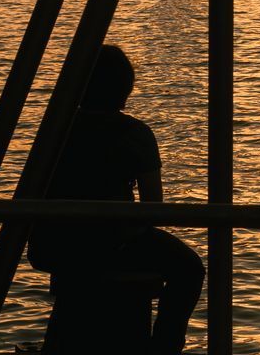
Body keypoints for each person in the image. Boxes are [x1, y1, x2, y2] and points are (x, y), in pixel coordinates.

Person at [28, 44, 205, 355]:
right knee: (189, 268)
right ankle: (164, 348)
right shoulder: (134, 133)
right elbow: (154, 208)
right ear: (125, 88)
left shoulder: (56, 129)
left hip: (53, 245)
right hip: (111, 244)